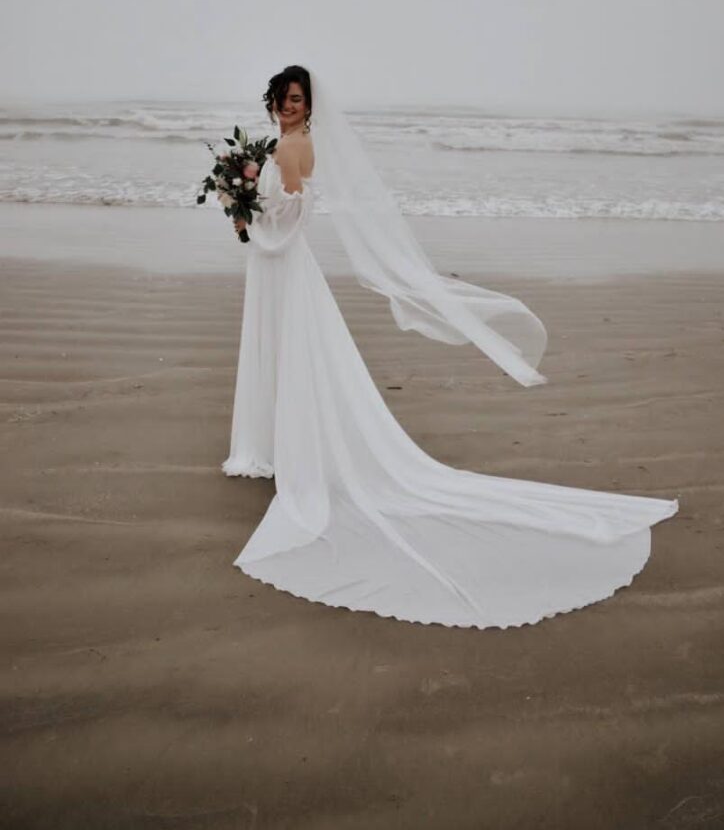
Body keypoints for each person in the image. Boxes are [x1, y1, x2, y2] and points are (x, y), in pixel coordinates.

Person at [222, 64, 677, 628]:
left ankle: (288, 448)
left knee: (292, 354)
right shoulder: (293, 143)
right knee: (295, 355)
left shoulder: (293, 149)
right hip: (280, 266)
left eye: (297, 99)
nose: (289, 106)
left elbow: (290, 218)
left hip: (282, 264)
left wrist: (246, 216)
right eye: (283, 98)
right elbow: (289, 212)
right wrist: (246, 206)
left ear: (308, 104)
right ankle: (277, 443)